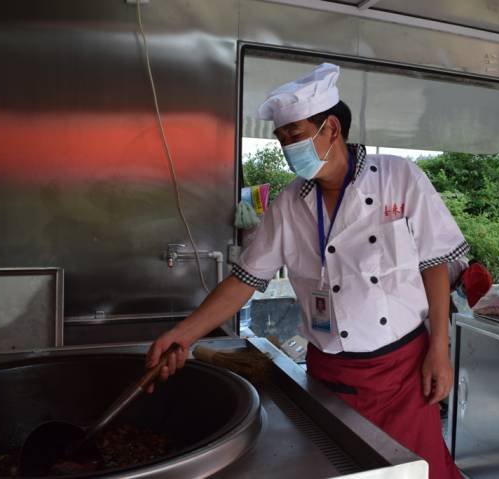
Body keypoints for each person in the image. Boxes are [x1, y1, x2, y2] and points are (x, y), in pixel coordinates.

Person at [146, 63, 468, 479]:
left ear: (330, 128)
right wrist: (184, 334)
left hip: (401, 370)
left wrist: (439, 348)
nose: (287, 149)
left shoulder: (398, 177)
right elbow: (244, 280)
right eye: (282, 140)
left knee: (415, 470)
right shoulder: (289, 204)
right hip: (329, 373)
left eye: (295, 136)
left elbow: (434, 262)